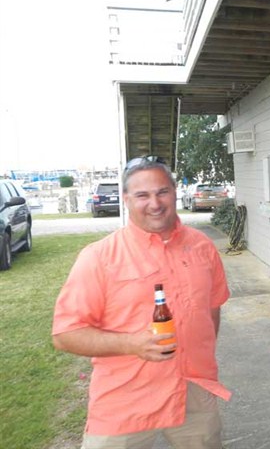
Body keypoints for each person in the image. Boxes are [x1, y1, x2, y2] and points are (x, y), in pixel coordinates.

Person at [51, 156, 230, 449]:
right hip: (124, 399)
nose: (155, 203)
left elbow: (212, 308)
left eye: (162, 192)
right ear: (126, 199)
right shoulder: (99, 257)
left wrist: (199, 353)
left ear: (175, 192)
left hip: (193, 391)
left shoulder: (202, 247)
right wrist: (131, 344)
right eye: (142, 195)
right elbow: (65, 334)